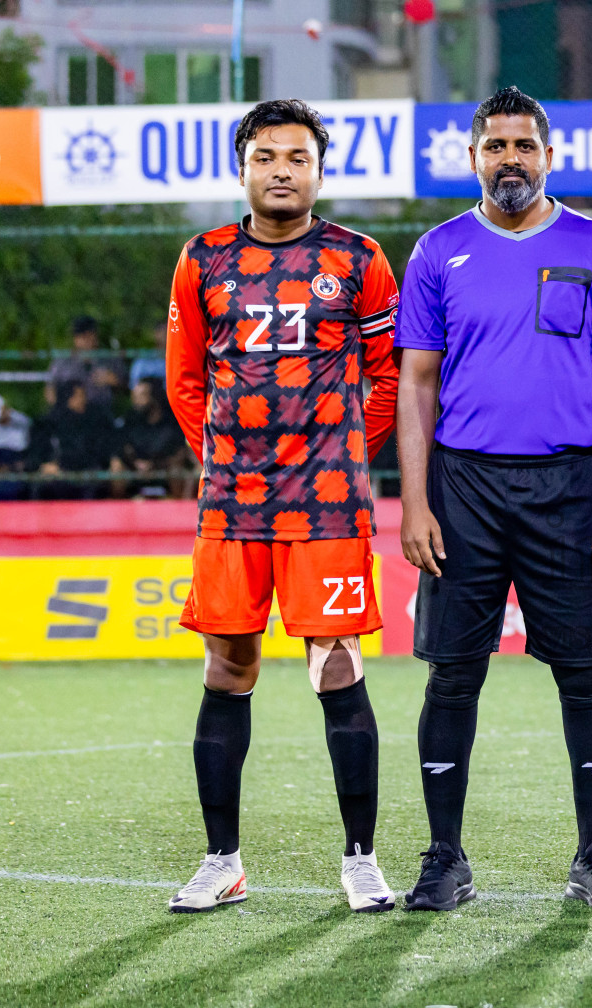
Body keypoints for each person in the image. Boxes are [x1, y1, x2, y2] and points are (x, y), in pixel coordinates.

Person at [395, 87, 592, 912]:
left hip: (572, 490)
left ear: (547, 156)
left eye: (524, 146)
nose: (511, 160)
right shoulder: (437, 252)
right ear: (473, 158)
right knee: (452, 676)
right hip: (462, 488)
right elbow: (417, 387)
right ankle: (444, 858)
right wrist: (415, 502)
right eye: (495, 146)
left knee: (585, 676)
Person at [163, 98, 402, 914]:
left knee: (336, 662)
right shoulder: (202, 260)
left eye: (297, 157)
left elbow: (389, 377)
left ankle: (361, 860)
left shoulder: (360, 258)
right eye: (266, 156)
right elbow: (186, 381)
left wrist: (341, 451)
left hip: (329, 504)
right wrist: (232, 458)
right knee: (228, 666)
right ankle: (221, 859)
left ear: (319, 170)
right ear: (244, 168)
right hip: (233, 502)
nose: (281, 170)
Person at [31, 379, 120, 500]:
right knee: (44, 486)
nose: (83, 400)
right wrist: (46, 464)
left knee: (97, 486)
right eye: (78, 396)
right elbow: (37, 453)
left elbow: (104, 448)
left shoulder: (95, 419)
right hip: (59, 473)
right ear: (68, 398)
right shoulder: (49, 422)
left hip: (89, 472)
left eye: (83, 395)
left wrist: (110, 461)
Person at [119, 376, 192, 498]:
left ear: (154, 398)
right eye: (135, 397)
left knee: (177, 471)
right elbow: (123, 446)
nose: (137, 402)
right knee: (117, 468)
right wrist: (135, 462)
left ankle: (179, 509)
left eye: (142, 397)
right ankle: (117, 510)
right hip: (136, 471)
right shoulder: (131, 417)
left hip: (164, 471)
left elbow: (179, 451)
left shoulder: (171, 419)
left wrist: (155, 465)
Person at [51, 315, 126, 413]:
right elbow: (50, 390)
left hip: (101, 413)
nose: (87, 340)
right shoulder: (63, 361)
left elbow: (127, 387)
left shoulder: (109, 359)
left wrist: (115, 381)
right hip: (69, 414)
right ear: (75, 338)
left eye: (90, 334)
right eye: (82, 336)